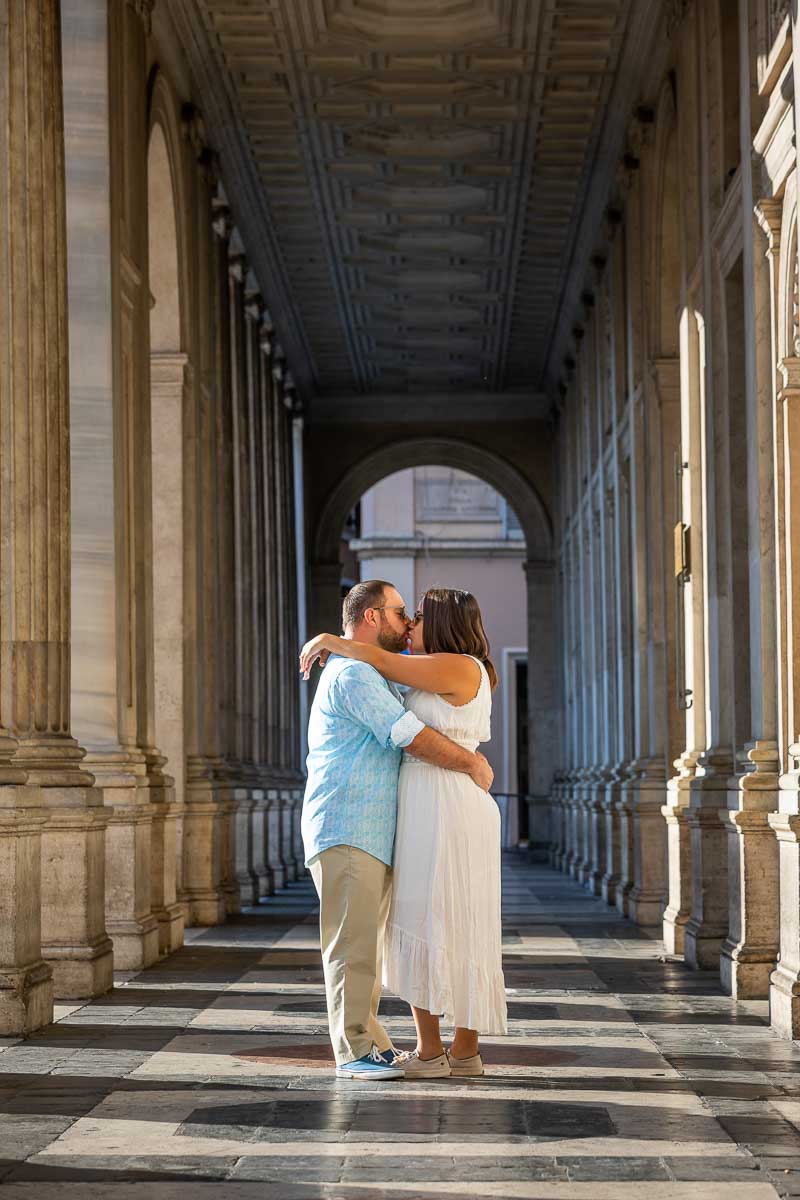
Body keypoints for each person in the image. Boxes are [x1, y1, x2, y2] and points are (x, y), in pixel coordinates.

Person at [300, 586, 507, 1081]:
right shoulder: (357, 673)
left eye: (415, 614)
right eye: (400, 613)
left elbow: (412, 724)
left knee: (418, 929)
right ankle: (364, 1049)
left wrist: (333, 638)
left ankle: (420, 1049)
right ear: (373, 616)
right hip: (357, 822)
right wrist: (472, 763)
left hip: (421, 812)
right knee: (370, 939)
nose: (408, 621)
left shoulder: (439, 667)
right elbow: (406, 734)